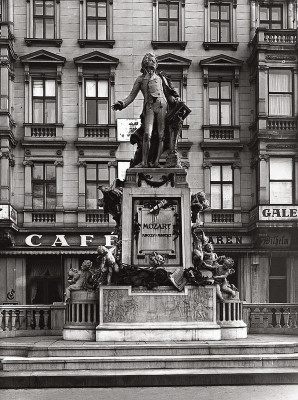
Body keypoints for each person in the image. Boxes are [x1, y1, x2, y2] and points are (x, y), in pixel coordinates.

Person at [112, 53, 180, 168]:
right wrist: (122, 104)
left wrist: (176, 100)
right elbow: (131, 96)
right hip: (149, 107)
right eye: (149, 64)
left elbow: (168, 95)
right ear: (144, 66)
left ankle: (156, 162)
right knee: (147, 134)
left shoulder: (161, 78)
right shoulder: (141, 79)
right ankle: (144, 162)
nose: (151, 66)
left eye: (153, 63)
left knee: (161, 135)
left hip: (161, 105)